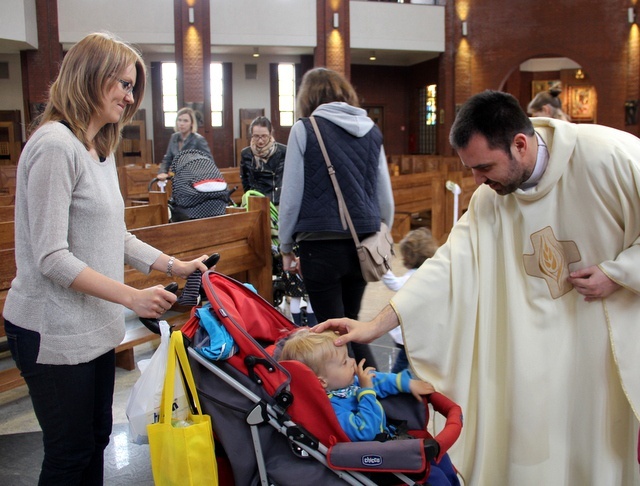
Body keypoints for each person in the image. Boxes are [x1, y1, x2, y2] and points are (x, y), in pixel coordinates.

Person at [315, 90, 640, 485]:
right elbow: (447, 267)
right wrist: (375, 325)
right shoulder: (492, 198)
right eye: (471, 169)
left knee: (597, 443)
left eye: (484, 167)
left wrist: (620, 272)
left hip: (603, 346)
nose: (477, 181)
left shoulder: (613, 156)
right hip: (536, 356)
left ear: (520, 144)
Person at [2, 32, 209, 484]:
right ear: (88, 77)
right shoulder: (54, 145)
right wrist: (132, 298)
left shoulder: (98, 148)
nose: (129, 95)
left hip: (91, 326)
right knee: (69, 454)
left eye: (133, 86)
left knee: (94, 439)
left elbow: (116, 235)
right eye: (121, 83)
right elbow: (52, 258)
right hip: (50, 329)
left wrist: (176, 266)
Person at [278, 67, 394, 368]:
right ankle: (375, 394)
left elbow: (290, 198)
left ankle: (362, 398)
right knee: (352, 324)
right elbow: (385, 198)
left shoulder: (305, 128)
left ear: (309, 97)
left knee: (334, 333)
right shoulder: (372, 129)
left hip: (320, 245)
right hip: (363, 243)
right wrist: (381, 233)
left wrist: (286, 246)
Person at [278, 328, 461, 486]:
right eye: (344, 362)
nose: (352, 361)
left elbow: (378, 379)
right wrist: (366, 392)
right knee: (434, 476)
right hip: (373, 461)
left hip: (391, 442)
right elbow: (365, 430)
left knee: (440, 457)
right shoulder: (332, 409)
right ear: (322, 381)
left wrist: (406, 384)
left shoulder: (347, 383)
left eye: (349, 356)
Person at [381, 227, 438, 373]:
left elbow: (393, 283)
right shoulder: (433, 272)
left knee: (403, 361)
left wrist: (381, 266)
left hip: (410, 334)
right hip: (425, 332)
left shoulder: (414, 277)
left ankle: (394, 381)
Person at [240, 116, 286, 206]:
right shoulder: (246, 154)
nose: (260, 141)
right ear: (251, 135)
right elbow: (244, 179)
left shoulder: (283, 151)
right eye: (256, 136)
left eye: (264, 136)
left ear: (270, 134)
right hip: (255, 202)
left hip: (277, 202)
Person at [157, 106, 212, 181]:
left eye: (185, 121)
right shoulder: (174, 137)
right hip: (177, 180)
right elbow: (167, 159)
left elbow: (209, 162)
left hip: (194, 180)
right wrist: (162, 172)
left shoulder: (198, 140)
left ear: (192, 123)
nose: (181, 124)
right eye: (179, 120)